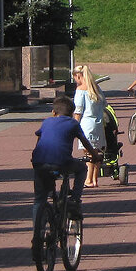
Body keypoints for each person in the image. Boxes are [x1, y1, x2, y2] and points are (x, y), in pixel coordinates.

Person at [31, 96, 96, 228]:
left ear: (53, 112)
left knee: (39, 199)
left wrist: (35, 156)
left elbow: (39, 140)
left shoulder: (47, 122)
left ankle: (38, 232)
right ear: (72, 114)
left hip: (39, 163)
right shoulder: (73, 123)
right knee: (82, 168)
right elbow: (85, 142)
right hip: (62, 163)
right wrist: (95, 155)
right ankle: (75, 200)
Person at [72, 65, 107, 188]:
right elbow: (104, 104)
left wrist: (74, 126)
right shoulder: (97, 88)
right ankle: (95, 179)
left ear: (78, 76)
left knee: (88, 153)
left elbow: (78, 111)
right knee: (96, 152)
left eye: (75, 78)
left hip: (86, 124)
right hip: (98, 124)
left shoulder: (81, 90)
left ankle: (88, 179)